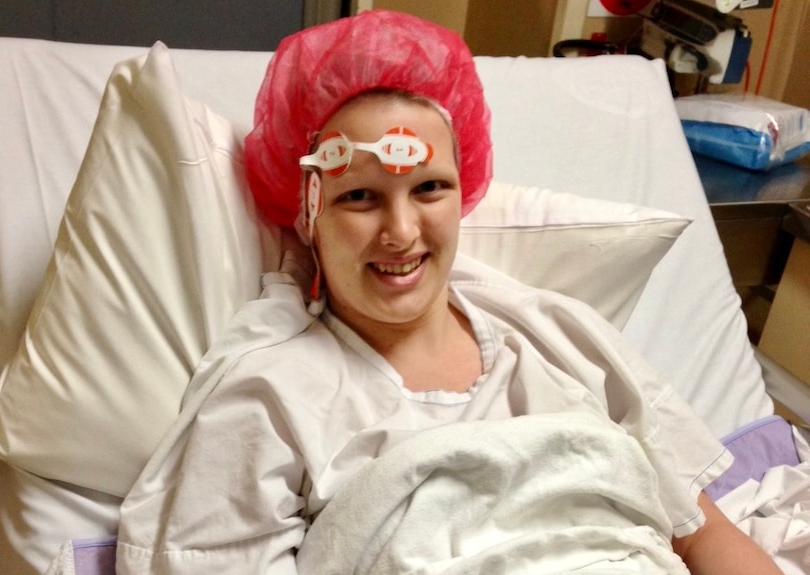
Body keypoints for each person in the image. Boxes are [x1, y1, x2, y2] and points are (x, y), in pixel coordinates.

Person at [116, 10, 783, 574]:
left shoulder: (555, 333)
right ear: (309, 212)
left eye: (428, 187)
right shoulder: (268, 397)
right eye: (359, 197)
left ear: (464, 187)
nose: (401, 232)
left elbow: (695, 527)